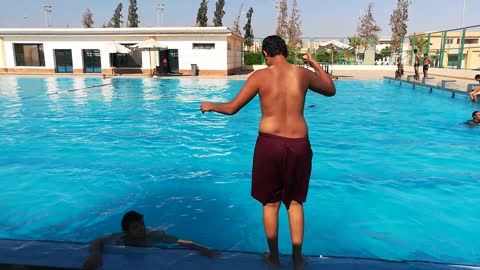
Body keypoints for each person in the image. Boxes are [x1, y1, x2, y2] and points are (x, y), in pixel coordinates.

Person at [200, 35, 336, 269]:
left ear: (265, 54)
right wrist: (313, 63)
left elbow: (232, 108)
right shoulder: (301, 74)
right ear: (284, 50)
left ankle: (273, 257)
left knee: (270, 204)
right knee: (294, 202)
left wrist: (210, 106)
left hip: (269, 144)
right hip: (298, 144)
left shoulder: (260, 76)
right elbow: (330, 89)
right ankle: (297, 258)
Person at [83, 211, 217, 270]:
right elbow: (97, 241)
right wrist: (96, 256)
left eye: (142, 223)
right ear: (126, 231)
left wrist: (199, 247)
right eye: (136, 227)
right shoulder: (120, 237)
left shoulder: (154, 235)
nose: (142, 228)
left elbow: (179, 241)